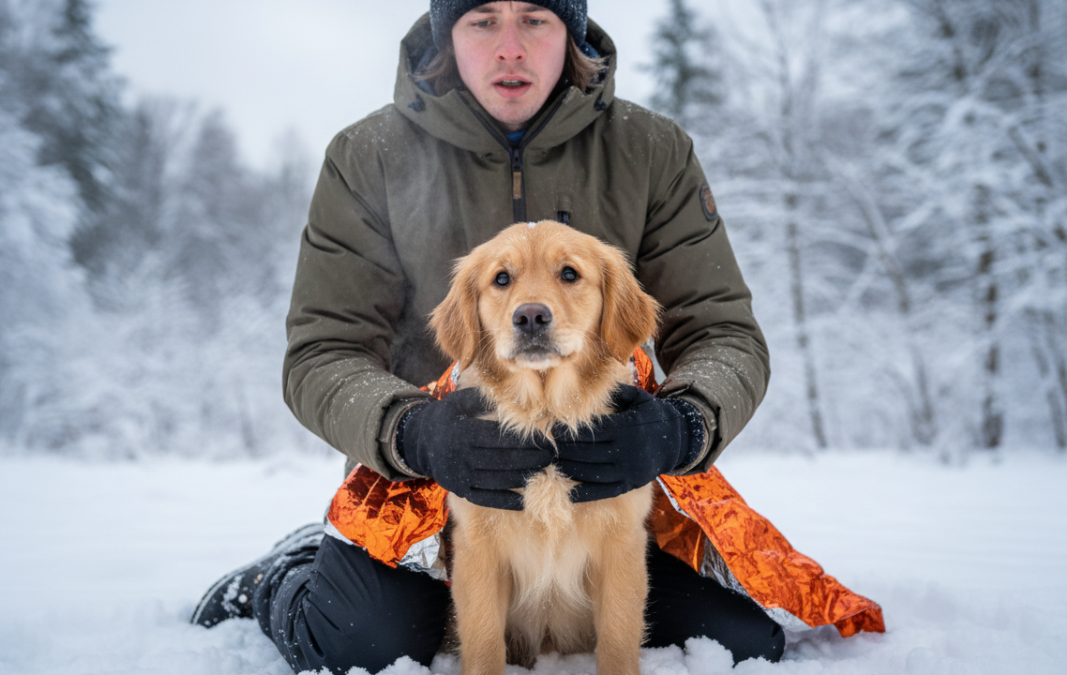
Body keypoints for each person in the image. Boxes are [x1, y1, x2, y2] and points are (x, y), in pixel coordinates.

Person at [191, 2, 781, 672]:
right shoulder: (366, 158)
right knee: (359, 641)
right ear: (448, 33)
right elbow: (321, 354)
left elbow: (725, 331)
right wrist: (415, 433)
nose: (510, 48)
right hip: (423, 483)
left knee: (742, 644)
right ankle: (286, 572)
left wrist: (680, 426)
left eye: (535, 18)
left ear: (571, 34)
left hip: (607, 480)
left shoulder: (652, 150)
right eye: (482, 20)